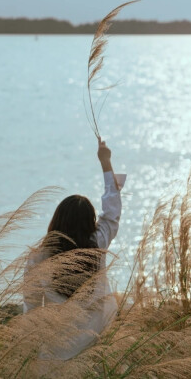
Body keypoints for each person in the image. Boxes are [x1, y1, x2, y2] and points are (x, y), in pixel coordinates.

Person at [23, 137, 125, 360]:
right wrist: (106, 162)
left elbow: (31, 309)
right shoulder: (96, 246)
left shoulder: (38, 258)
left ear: (56, 222)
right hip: (96, 352)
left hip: (55, 356)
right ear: (90, 223)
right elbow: (113, 210)